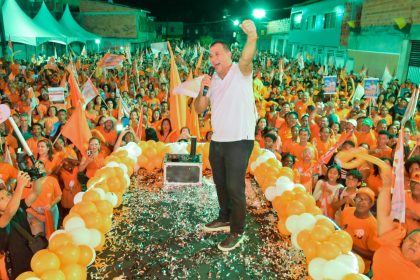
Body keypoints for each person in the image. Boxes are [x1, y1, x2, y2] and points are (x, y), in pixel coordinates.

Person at [194, 20, 258, 251]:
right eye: (211, 55)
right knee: (220, 183)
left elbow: (247, 57)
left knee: (234, 186)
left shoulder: (240, 72)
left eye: (217, 54)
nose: (213, 59)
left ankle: (238, 230)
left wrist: (252, 37)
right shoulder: (212, 80)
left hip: (240, 140)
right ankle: (224, 217)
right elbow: (198, 109)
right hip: (218, 140)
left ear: (229, 54)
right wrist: (203, 89)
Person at [372, 164, 420, 279]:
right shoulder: (391, 245)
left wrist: (417, 217)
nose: (414, 244)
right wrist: (387, 185)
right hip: (398, 232)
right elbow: (384, 213)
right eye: (413, 182)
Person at [0, 170, 46, 279]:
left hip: (34, 255)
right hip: (19, 265)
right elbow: (9, 212)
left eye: (7, 194)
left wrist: (36, 177)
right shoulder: (2, 219)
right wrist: (20, 186)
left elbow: (36, 192)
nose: (7, 197)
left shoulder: (19, 206)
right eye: (1, 198)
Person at [338, 187, 380, 274]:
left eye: (366, 200)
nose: (362, 202)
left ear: (371, 204)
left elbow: (374, 256)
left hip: (358, 269)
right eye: (359, 198)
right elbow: (339, 230)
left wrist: (350, 245)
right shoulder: (346, 211)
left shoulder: (373, 226)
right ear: (355, 199)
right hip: (340, 261)